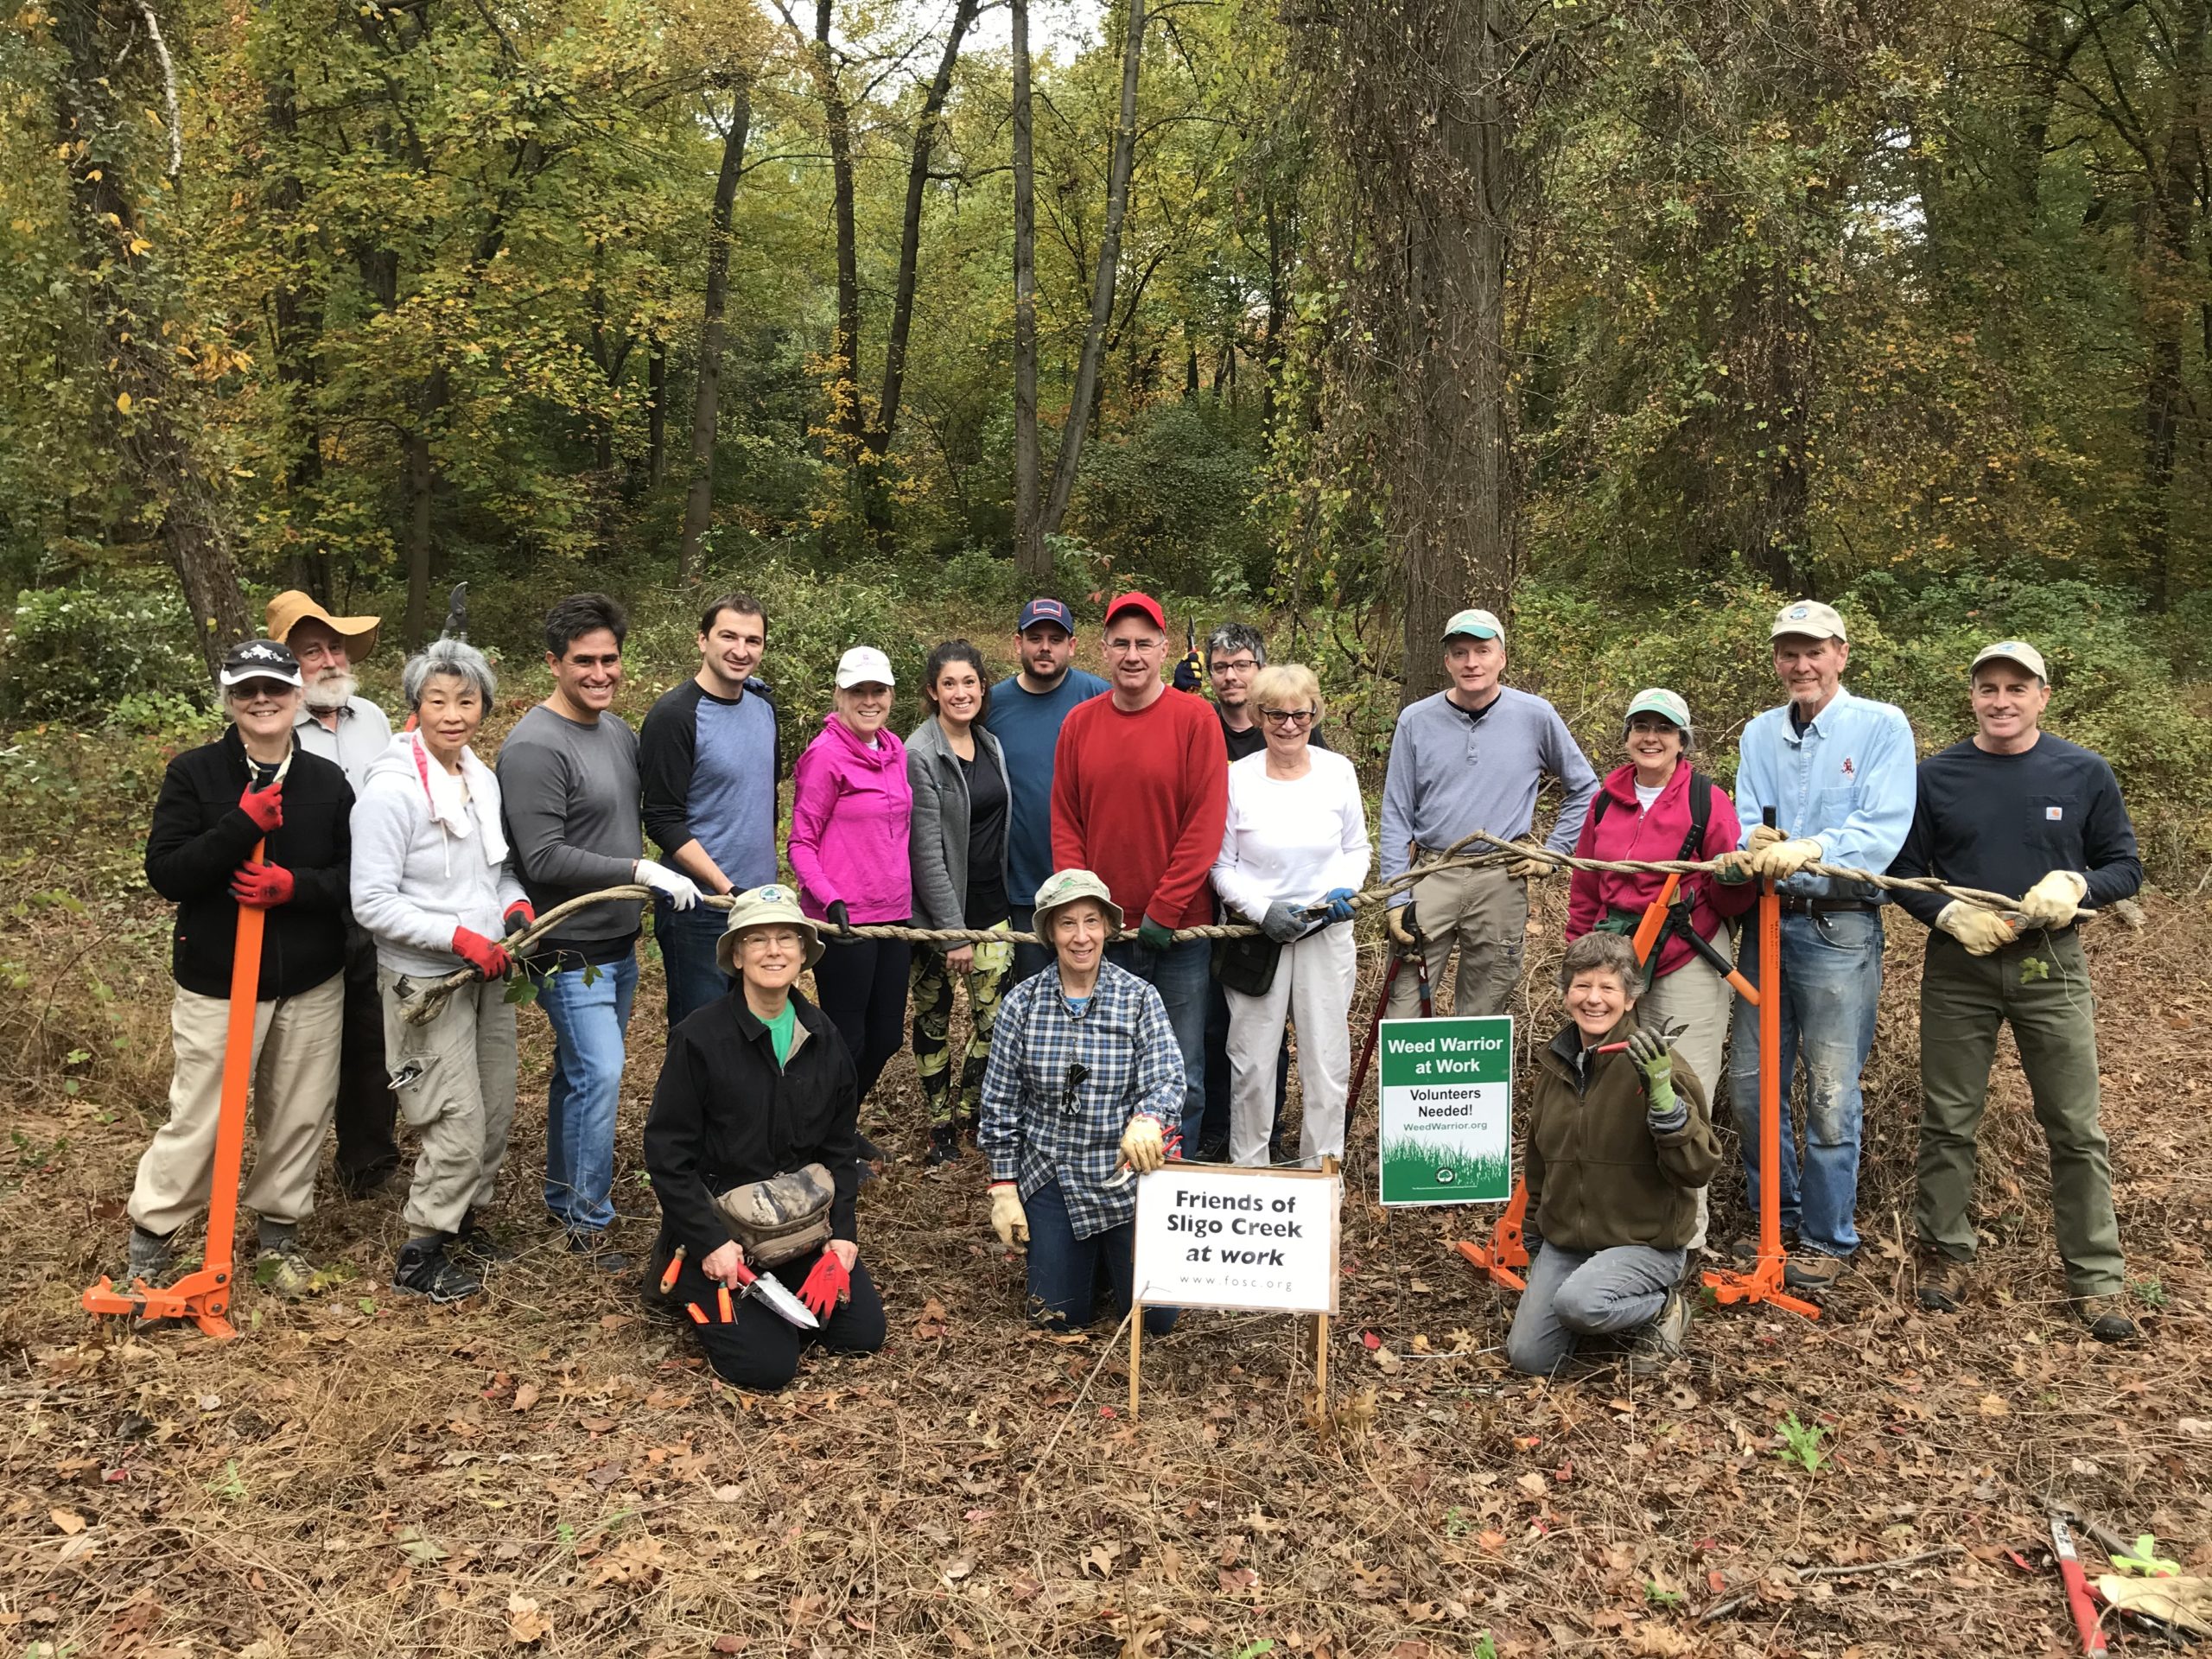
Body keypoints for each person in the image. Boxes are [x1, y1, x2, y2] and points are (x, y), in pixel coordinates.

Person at [1886, 641, 2142, 1341]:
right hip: (1960, 965)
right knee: (1948, 1117)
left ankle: (2096, 1277)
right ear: (1972, 697)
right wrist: (1946, 914)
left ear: (2042, 696)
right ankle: (1944, 1254)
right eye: (1988, 688)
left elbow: (2125, 865)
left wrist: (2078, 883)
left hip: (2050, 964)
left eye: (2016, 688)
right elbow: (1905, 870)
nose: (2001, 700)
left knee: (2075, 1125)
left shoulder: (2082, 771)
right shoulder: (1934, 775)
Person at [119, 639, 353, 1299]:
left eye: (274, 688)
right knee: (201, 1114)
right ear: (229, 698)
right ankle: (150, 1247)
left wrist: (293, 886)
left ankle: (278, 1243)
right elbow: (166, 872)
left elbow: (351, 877)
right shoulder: (193, 774)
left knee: (300, 1113)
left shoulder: (327, 782)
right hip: (219, 981)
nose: (262, 700)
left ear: (297, 695)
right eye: (247, 689)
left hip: (310, 980)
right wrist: (236, 827)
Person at [499, 593, 702, 1268]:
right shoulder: (533, 745)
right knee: (602, 1074)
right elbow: (544, 855)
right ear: (553, 663)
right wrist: (643, 869)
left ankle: (566, 1195)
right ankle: (586, 1224)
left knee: (580, 1076)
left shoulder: (617, 733)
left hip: (616, 945)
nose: (600, 672)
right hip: (567, 949)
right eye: (583, 660)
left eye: (609, 659)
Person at [1720, 600, 1916, 1293]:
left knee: (1831, 1093)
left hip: (1841, 924)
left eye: (1814, 650)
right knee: (1750, 1085)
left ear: (1841, 653)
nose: (1800, 664)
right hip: (1767, 924)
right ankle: (1776, 1217)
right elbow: (1749, 815)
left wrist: (1813, 851)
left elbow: (1882, 828)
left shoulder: (1882, 727)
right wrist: (1757, 843)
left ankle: (1827, 1239)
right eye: (1788, 652)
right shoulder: (1761, 733)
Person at [643, 885, 887, 1390]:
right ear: (736, 953)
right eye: (757, 939)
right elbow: (667, 1154)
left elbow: (840, 1146)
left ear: (804, 952)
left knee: (861, 1334)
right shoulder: (699, 1038)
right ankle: (687, 1276)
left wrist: (843, 1235)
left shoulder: (824, 1036)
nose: (773, 951)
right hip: (724, 1228)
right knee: (767, 1367)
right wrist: (710, 1242)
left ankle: (780, 1291)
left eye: (786, 939)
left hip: (797, 1226)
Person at [351, 639, 533, 1303]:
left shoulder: (478, 778)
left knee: (494, 1101)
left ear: (484, 704)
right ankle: (422, 1250)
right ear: (416, 706)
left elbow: (499, 866)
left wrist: (512, 905)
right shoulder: (391, 792)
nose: (453, 713)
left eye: (467, 700)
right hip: (424, 980)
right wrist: (454, 936)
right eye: (438, 700)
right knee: (451, 1112)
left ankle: (464, 1221)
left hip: (487, 970)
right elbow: (370, 901)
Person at [1563, 689, 1754, 1252]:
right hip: (1615, 956)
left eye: (1664, 729)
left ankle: (1683, 1241)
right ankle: (1608, 1223)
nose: (1651, 737)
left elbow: (1731, 896)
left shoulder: (1705, 799)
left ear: (1682, 739)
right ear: (1626, 735)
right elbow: (1586, 885)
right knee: (1610, 1087)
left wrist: (1735, 877)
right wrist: (1580, 955)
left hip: (1687, 952)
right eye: (1641, 726)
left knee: (1683, 1086)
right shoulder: (1605, 800)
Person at [1050, 592, 1230, 1144]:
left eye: (1144, 644)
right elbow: (1066, 821)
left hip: (1179, 932)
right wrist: (1083, 912)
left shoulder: (1196, 718)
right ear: (1104, 650)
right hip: (1103, 933)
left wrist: (1167, 906)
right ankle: (1112, 1181)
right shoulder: (1079, 724)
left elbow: (1205, 821)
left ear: (1164, 649)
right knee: (1107, 1066)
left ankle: (1175, 1182)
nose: (1133, 654)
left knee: (1181, 1070)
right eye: (1122, 643)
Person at [1506, 933, 1721, 1377]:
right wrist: (1534, 1239)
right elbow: (1540, 1164)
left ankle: (1664, 1307)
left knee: (1579, 1305)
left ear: (1630, 998)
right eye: (1582, 985)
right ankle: (1591, 1301)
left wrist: (1665, 1102)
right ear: (1566, 993)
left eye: (1608, 988)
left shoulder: (1661, 1065)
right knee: (1529, 1358)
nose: (1594, 999)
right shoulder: (1556, 1066)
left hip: (1645, 1242)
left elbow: (1697, 1168)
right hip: (1569, 1242)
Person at [978, 869, 1182, 1334]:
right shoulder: (1021, 1004)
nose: (1081, 936)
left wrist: (1149, 1119)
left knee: (1158, 1322)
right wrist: (1003, 1187)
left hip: (1129, 1176)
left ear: (1109, 928)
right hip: (1055, 1175)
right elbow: (1000, 1102)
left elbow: (1167, 1076)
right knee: (1057, 1318)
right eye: (1067, 923)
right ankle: (1082, 1258)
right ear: (1049, 932)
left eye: (1092, 921)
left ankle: (1113, 1259)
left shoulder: (1139, 998)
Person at [1379, 607, 1599, 1020]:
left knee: (1484, 1011)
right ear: (1446, 662)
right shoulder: (1416, 720)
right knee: (1403, 1009)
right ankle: (1411, 1087)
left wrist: (1550, 854)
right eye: (1460, 653)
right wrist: (1396, 895)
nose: (1471, 663)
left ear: (1502, 658)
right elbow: (1395, 812)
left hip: (1501, 876)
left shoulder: (1535, 715)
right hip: (1431, 873)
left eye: (1482, 651)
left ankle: (1474, 1087)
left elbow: (1585, 787)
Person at [1209, 664, 1370, 1166]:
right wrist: (1261, 911)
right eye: (1275, 713)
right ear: (1258, 716)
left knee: (1325, 1060)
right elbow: (1221, 866)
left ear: (1313, 713)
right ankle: (1250, 1169)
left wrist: (1347, 890)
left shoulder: (1338, 770)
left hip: (1326, 931)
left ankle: (1322, 1171)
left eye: (1300, 714)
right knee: (1253, 1062)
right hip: (1259, 937)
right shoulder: (1236, 779)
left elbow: (1357, 847)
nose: (1288, 725)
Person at [267, 591, 398, 1199]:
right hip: (304, 904)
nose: (327, 660)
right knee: (307, 1049)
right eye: (310, 650)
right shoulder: (269, 726)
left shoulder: (372, 718)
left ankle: (368, 1164)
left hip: (374, 901)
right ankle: (289, 1179)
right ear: (288, 666)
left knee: (373, 1038)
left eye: (334, 646)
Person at [639, 594, 781, 1030]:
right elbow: (662, 817)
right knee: (702, 1034)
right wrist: (726, 886)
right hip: (701, 909)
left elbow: (764, 795)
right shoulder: (675, 715)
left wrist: (757, 890)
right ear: (702, 640)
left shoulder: (764, 707)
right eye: (728, 636)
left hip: (758, 903)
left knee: (753, 1027)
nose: (741, 650)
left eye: (753, 640)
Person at [788, 646, 914, 1106]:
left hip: (895, 915)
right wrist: (828, 897)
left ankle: (834, 1126)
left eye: (877, 690)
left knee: (886, 1038)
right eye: (857, 690)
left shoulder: (896, 750)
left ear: (891, 694)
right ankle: (821, 1133)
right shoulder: (825, 756)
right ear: (838, 695)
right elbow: (800, 842)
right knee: (848, 1040)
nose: (869, 700)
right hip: (844, 921)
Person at [906, 640, 1014, 1165]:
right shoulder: (919, 754)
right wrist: (952, 933)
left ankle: (970, 1108)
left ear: (982, 687)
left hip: (994, 909)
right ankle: (939, 1123)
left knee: (995, 1024)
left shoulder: (990, 743)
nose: (960, 692)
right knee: (934, 1019)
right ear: (932, 691)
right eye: (949, 683)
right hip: (936, 919)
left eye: (969, 682)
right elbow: (925, 851)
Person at [982, 598, 1109, 984]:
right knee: (1034, 992)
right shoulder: (991, 705)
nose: (1045, 647)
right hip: (1023, 882)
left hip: (1091, 881)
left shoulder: (1099, 696)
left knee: (1094, 993)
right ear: (1017, 644)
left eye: (1056, 638)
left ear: (1072, 645)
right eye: (1035, 637)